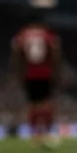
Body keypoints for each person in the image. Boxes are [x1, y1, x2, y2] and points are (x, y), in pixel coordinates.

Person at [12, 16, 61, 146]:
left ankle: (35, 135)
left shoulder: (23, 35)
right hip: (45, 73)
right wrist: (56, 70)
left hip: (29, 74)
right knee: (47, 104)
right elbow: (55, 51)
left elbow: (16, 51)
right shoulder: (47, 34)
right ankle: (47, 132)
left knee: (33, 105)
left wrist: (19, 71)